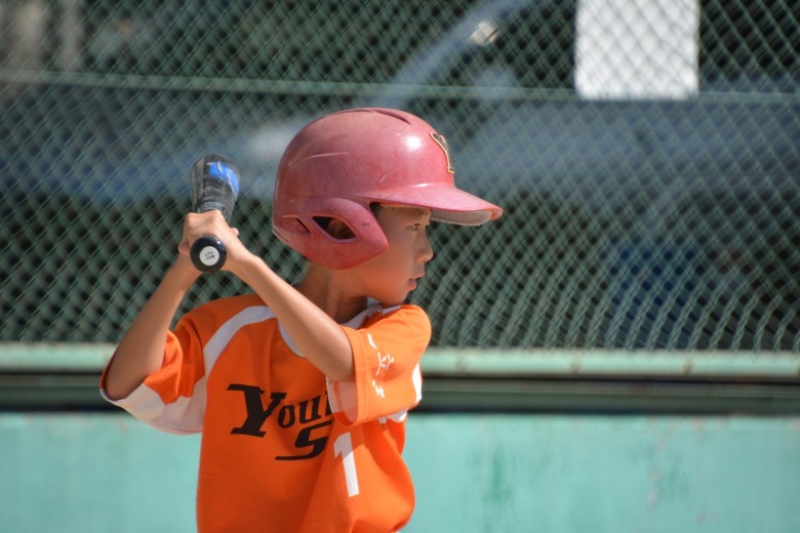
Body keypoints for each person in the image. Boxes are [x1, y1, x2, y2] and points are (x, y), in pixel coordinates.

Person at [100, 107, 503, 532]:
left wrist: (248, 266)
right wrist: (185, 268)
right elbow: (128, 382)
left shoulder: (401, 327)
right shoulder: (230, 330)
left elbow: (343, 362)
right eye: (415, 227)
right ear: (342, 227)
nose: (427, 251)